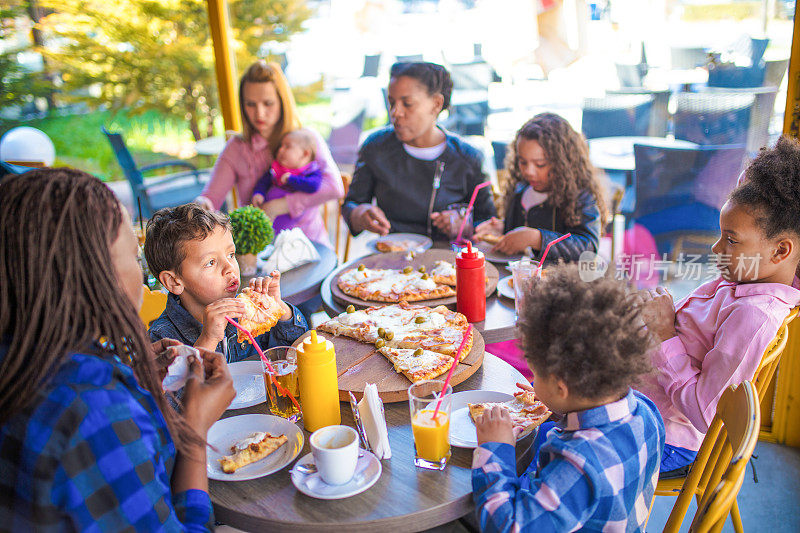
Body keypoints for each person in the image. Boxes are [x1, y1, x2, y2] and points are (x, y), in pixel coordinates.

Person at [0, 168, 234, 530]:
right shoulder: (92, 411)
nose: (142, 277)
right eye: (136, 259)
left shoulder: (25, 357)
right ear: (97, 274)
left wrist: (136, 378)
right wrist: (194, 432)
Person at [636, 136, 800, 477]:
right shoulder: (746, 277)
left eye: (731, 239)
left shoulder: (753, 316)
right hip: (642, 401)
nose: (715, 248)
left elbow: (704, 412)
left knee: (545, 444)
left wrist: (665, 332)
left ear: (781, 251)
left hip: (668, 436)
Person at [472, 264, 664, 532]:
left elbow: (509, 527)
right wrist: (559, 409)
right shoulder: (647, 412)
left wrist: (495, 449)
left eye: (536, 375)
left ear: (562, 387)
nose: (533, 383)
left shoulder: (577, 464)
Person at [195, 61, 343, 246]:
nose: (259, 113)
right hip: (261, 252)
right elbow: (211, 198)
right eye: (250, 104)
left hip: (311, 248)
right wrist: (202, 204)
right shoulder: (236, 148)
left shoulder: (306, 138)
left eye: (268, 103)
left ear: (282, 101)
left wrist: (279, 206)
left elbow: (334, 187)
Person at [343, 61, 495, 240]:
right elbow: (351, 205)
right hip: (392, 260)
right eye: (391, 102)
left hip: (449, 260)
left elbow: (488, 221)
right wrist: (359, 214)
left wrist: (463, 222)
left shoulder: (469, 158)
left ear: (436, 104)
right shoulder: (376, 147)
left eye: (407, 104)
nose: (395, 112)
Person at [145, 203, 308, 362]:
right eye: (211, 262)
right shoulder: (161, 339)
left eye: (231, 254)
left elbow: (296, 350)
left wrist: (279, 309)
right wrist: (207, 340)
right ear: (174, 282)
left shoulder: (247, 313)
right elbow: (177, 389)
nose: (230, 268)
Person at [474, 113, 608, 264]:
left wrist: (537, 238)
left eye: (540, 164)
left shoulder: (580, 196)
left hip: (558, 282)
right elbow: (523, 226)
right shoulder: (520, 189)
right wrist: (503, 229)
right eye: (523, 162)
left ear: (562, 162)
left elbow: (587, 246)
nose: (529, 171)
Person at [251, 128, 324, 236]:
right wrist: (258, 193)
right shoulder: (277, 169)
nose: (280, 150)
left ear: (305, 154)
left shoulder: (311, 171)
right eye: (281, 146)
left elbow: (313, 186)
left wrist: (291, 179)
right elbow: (264, 182)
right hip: (267, 219)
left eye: (287, 146)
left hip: (291, 228)